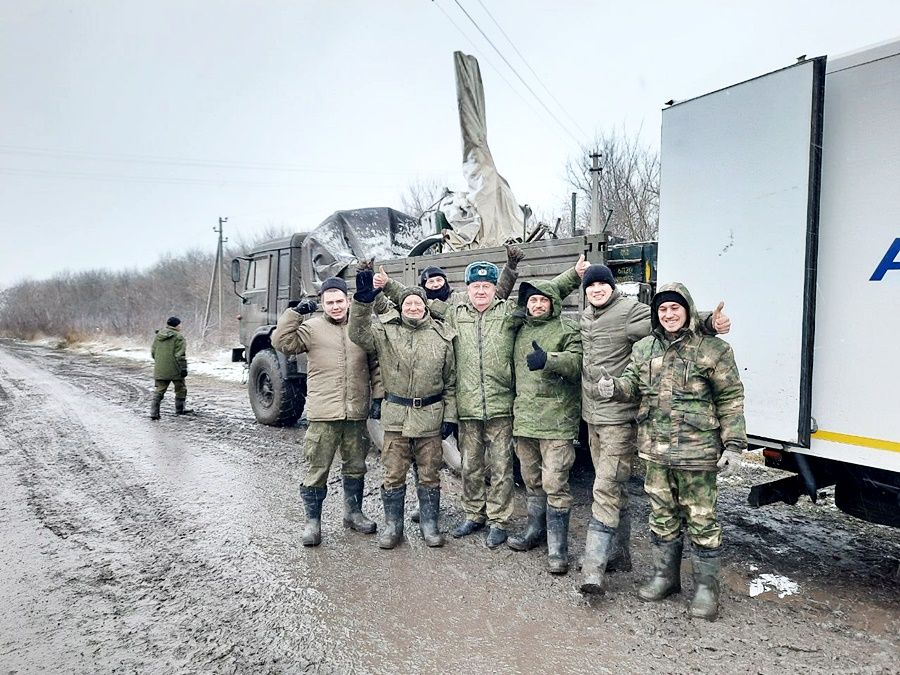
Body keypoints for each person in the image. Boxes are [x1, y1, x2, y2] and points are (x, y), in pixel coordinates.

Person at [577, 264, 731, 595]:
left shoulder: (709, 348)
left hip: (692, 447)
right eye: (591, 286)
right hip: (649, 443)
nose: (668, 314)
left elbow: (731, 397)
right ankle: (665, 578)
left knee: (701, 518)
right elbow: (633, 381)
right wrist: (614, 386)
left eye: (676, 307)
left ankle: (705, 591)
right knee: (660, 513)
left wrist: (709, 321)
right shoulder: (636, 344)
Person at [349, 266, 457, 549]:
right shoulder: (386, 332)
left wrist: (451, 417)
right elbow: (358, 334)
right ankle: (393, 526)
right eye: (408, 302)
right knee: (393, 472)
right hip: (396, 418)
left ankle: (430, 524)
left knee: (430, 473)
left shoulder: (441, 336)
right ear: (402, 306)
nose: (412, 307)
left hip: (430, 418)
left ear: (425, 308)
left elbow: (451, 382)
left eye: (418, 303)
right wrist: (361, 301)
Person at [271, 276, 383, 547]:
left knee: (356, 466)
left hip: (356, 413)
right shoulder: (311, 328)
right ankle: (313, 523)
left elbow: (376, 365)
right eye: (329, 302)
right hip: (323, 414)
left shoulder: (361, 326)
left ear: (348, 301)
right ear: (322, 304)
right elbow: (280, 341)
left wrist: (378, 396)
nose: (335, 306)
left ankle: (353, 513)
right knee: (317, 468)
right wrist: (295, 313)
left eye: (339, 301)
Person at [506, 280, 583, 575]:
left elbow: (577, 364)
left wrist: (549, 359)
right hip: (525, 420)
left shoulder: (567, 329)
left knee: (555, 483)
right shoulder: (521, 331)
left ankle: (558, 549)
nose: (537, 305)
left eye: (543, 301)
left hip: (557, 420)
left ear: (553, 302)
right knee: (531, 479)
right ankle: (534, 531)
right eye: (532, 301)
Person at [150, 316, 189, 419]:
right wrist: (183, 368)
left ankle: (154, 413)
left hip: (160, 368)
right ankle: (180, 410)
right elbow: (179, 355)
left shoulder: (158, 336)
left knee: (160, 390)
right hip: (175, 368)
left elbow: (153, 352)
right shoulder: (178, 337)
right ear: (177, 325)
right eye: (180, 324)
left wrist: (161, 362)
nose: (181, 326)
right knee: (181, 388)